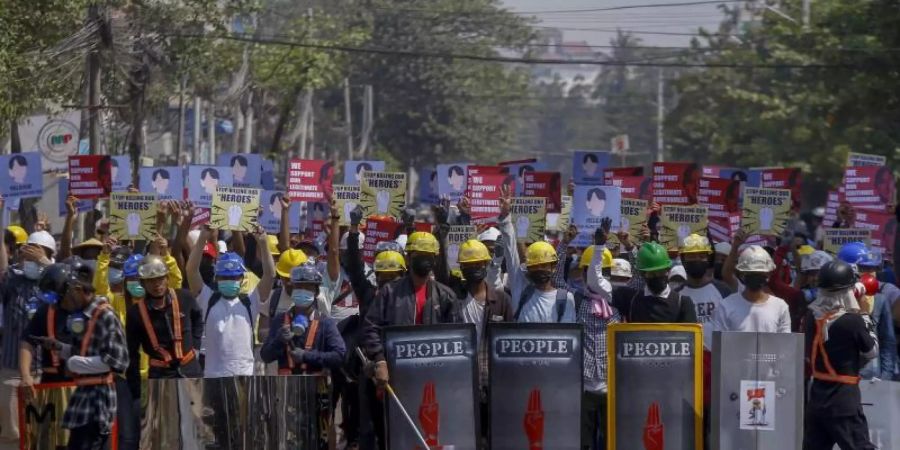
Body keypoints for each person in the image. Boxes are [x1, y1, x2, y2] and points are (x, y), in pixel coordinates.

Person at [40, 258, 129, 450]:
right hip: (83, 404)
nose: (62, 306)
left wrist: (74, 363)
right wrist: (60, 348)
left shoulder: (105, 315)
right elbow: (82, 353)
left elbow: (119, 361)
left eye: (62, 299)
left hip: (97, 406)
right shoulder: (82, 317)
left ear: (77, 289)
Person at [362, 231, 458, 387]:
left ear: (435, 259)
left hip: (435, 378)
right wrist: (380, 359)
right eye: (418, 255)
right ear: (407, 258)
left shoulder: (446, 296)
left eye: (428, 255)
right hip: (395, 376)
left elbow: (457, 337)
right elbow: (371, 327)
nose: (424, 260)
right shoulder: (389, 292)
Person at [803, 260, 878, 450]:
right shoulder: (852, 321)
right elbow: (871, 351)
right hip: (844, 402)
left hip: (817, 399)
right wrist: (865, 314)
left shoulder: (811, 317)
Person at [186, 226, 275, 377]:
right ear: (217, 278)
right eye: (224, 277)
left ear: (242, 279)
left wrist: (263, 243)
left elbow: (270, 275)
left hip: (245, 376)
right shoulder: (207, 299)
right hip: (213, 377)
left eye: (234, 277)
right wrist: (202, 238)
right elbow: (191, 270)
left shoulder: (250, 301)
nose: (229, 280)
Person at [0, 231, 55, 446]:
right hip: (10, 369)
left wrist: (43, 262)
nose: (31, 259)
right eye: (28, 252)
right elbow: (2, 269)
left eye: (38, 254)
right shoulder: (14, 280)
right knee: (10, 430)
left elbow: (69, 281)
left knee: (39, 430)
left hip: (43, 372)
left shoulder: (52, 283)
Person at [497, 186, 576, 323]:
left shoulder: (566, 299)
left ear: (553, 267)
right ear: (527, 268)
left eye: (544, 265)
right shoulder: (520, 289)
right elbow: (510, 251)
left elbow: (569, 339)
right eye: (535, 266)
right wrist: (506, 217)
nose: (540, 270)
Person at [125, 255, 202, 390]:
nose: (156, 284)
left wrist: (196, 345)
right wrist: (134, 387)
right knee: (165, 411)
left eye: (160, 279)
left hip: (190, 370)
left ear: (167, 278)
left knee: (195, 411)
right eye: (151, 281)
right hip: (160, 376)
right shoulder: (135, 313)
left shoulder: (184, 297)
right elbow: (132, 352)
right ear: (143, 283)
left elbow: (198, 319)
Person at [577, 227, 622, 450]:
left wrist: (630, 247)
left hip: (611, 385)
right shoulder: (575, 300)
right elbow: (556, 278)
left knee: (609, 443)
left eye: (606, 272)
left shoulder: (618, 301)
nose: (599, 276)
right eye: (595, 271)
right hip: (584, 387)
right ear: (582, 273)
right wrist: (566, 246)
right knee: (584, 443)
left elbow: (640, 282)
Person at [260, 262, 346, 374]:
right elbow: (265, 356)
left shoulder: (325, 323)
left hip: (315, 388)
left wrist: (307, 356)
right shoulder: (280, 320)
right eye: (299, 286)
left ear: (316, 292)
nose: (302, 290)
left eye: (308, 287)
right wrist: (279, 340)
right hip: (286, 387)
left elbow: (339, 355)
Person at [20, 263, 78, 392]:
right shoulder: (46, 311)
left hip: (85, 382)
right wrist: (25, 375)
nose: (52, 301)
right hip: (52, 383)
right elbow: (27, 342)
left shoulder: (89, 312)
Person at [611, 242, 698, 323]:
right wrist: (600, 247)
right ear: (643, 274)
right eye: (651, 273)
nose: (656, 276)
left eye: (660, 272)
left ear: (668, 270)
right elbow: (601, 287)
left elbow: (690, 337)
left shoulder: (682, 303)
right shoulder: (631, 300)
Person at [712, 245, 791, 333]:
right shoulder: (725, 306)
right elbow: (720, 343)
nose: (755, 276)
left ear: (768, 274)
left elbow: (785, 343)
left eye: (759, 273)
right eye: (751, 273)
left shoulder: (780, 307)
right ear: (742, 274)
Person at [677, 234, 733, 348]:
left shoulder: (723, 290)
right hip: (688, 359)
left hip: (717, 359)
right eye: (692, 256)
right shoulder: (676, 295)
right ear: (683, 260)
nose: (697, 259)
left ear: (708, 259)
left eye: (702, 255)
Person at [853, 248, 897, 381]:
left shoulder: (880, 300)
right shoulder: (841, 298)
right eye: (864, 268)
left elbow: (887, 341)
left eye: (873, 269)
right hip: (845, 374)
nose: (869, 273)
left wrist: (885, 377)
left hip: (872, 376)